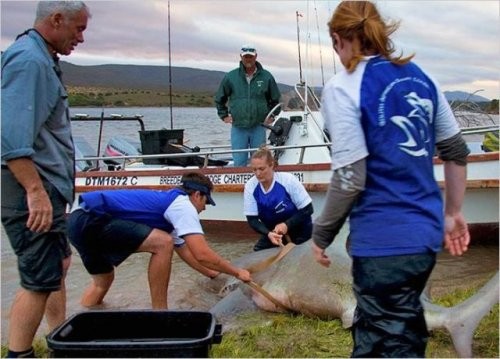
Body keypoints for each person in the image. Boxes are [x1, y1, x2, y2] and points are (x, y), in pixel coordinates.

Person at [310, 1, 470, 357]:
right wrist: (453, 213)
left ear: (339, 40)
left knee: (388, 342)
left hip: (384, 242)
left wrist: (322, 233)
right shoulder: (422, 78)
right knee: (390, 329)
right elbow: (456, 151)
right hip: (425, 239)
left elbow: (351, 175)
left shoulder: (342, 87)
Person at [1, 2, 91, 357]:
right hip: (31, 188)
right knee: (37, 279)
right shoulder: (30, 62)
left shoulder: (42, 57)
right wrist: (35, 191)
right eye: (78, 29)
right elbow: (11, 137)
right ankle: (19, 354)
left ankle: (59, 338)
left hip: (46, 187)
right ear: (56, 19)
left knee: (59, 264)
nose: (80, 38)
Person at [67, 172, 252, 309]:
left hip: (77, 220)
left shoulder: (170, 207)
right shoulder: (183, 206)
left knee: (102, 282)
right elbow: (202, 254)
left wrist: (213, 274)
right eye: (206, 202)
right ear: (196, 195)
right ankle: (160, 312)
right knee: (162, 243)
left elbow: (187, 252)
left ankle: (82, 315)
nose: (204, 208)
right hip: (91, 219)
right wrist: (237, 272)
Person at [215, 44, 282, 167]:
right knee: (239, 162)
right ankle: (240, 185)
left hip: (259, 127)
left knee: (260, 162)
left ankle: (259, 184)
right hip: (238, 127)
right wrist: (224, 116)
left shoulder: (267, 76)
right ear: (241, 57)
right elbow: (220, 98)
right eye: (246, 57)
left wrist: (272, 115)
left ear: (255, 56)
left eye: (251, 57)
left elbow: (276, 99)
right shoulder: (231, 77)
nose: (248, 59)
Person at [244, 147, 313, 251]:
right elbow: (252, 220)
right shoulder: (250, 186)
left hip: (300, 228)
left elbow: (308, 209)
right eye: (254, 170)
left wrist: (287, 225)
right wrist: (268, 234)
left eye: (261, 169)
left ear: (272, 165)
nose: (258, 174)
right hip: (273, 232)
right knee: (257, 253)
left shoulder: (288, 180)